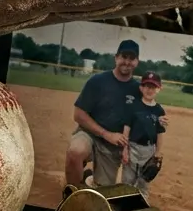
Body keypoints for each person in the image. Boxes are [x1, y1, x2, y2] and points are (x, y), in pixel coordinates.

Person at [66, 39, 141, 189]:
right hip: (89, 134)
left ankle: (89, 179)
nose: (127, 61)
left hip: (113, 147)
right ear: (116, 58)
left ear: (137, 62)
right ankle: (72, 193)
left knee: (102, 192)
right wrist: (106, 133)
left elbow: (139, 121)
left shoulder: (138, 89)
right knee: (76, 151)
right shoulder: (97, 81)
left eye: (131, 58)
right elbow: (78, 114)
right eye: (123, 56)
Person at [122, 71, 166, 199]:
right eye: (147, 86)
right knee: (127, 181)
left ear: (158, 89)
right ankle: (124, 208)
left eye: (153, 87)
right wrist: (124, 149)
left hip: (149, 151)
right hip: (132, 147)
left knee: (144, 183)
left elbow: (160, 133)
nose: (149, 89)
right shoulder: (133, 106)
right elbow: (127, 128)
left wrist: (158, 152)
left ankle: (141, 210)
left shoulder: (159, 110)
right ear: (141, 87)